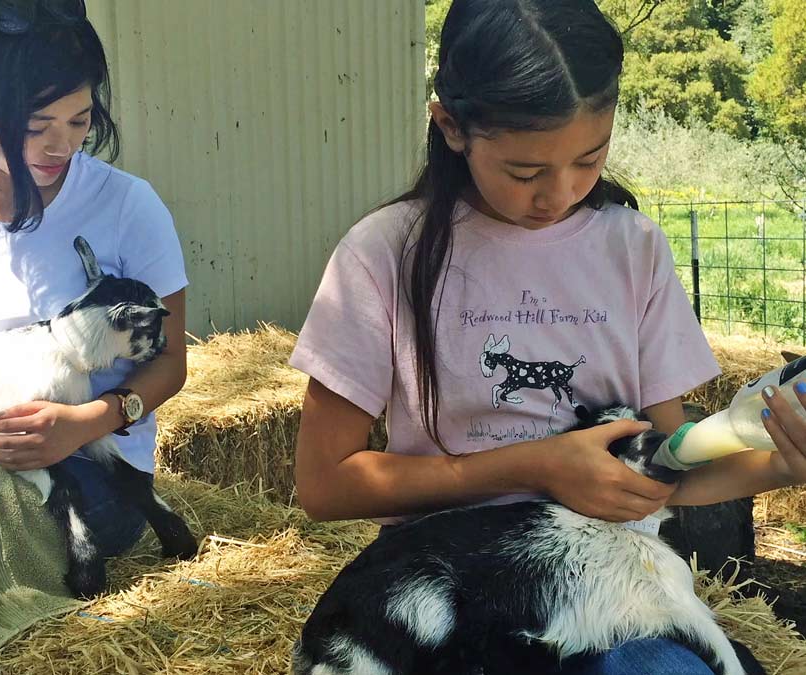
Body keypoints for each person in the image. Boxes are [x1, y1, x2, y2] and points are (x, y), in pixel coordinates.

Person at [290, 0, 806, 672]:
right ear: (451, 125)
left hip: (602, 602)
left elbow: (664, 470)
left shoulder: (633, 249)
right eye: (526, 172)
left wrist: (783, 465)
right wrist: (539, 465)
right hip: (455, 594)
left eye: (589, 159)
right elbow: (326, 483)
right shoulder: (385, 253)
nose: (559, 193)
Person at [0, 0, 188, 557]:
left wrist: (87, 421)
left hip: (82, 461)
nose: (61, 146)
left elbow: (172, 361)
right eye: (35, 127)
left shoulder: (128, 206)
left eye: (79, 121)